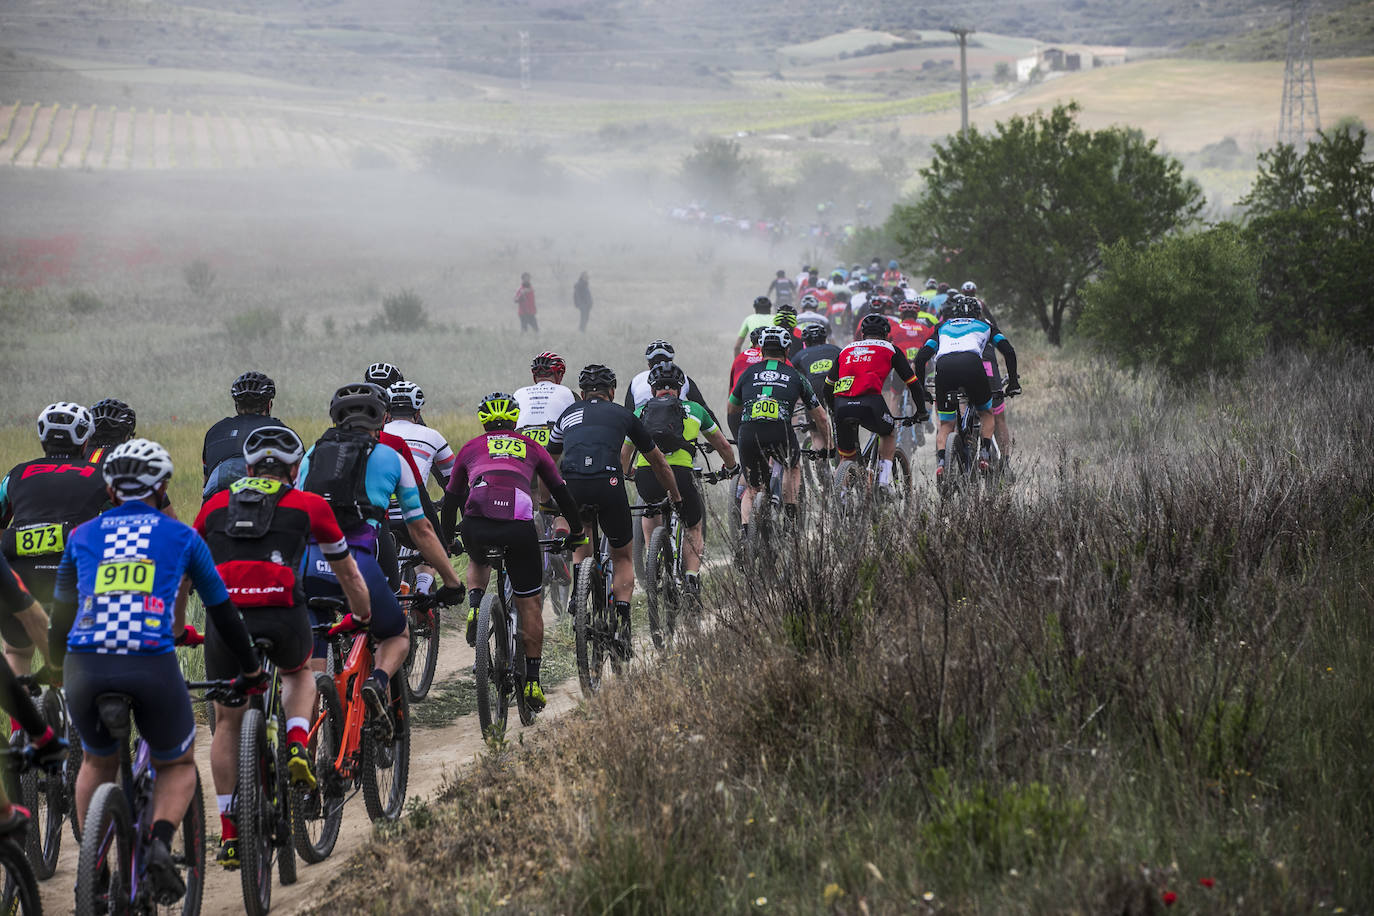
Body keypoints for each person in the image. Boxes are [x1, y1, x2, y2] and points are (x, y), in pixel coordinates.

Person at [48, 438, 265, 905]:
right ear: (163, 487)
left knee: (95, 761)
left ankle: (95, 869)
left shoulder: (82, 536)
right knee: (177, 763)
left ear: (110, 490)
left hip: (84, 661)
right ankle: (162, 846)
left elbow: (61, 618)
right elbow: (222, 613)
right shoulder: (182, 537)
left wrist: (53, 667)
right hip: (148, 658)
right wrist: (250, 670)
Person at [193, 426, 372, 868]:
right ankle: (295, 742)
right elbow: (347, 572)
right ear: (295, 469)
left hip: (226, 621)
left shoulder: (215, 505)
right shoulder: (307, 504)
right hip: (282, 613)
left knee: (226, 725)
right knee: (297, 673)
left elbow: (184, 570)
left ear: (249, 468)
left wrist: (179, 626)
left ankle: (231, 832)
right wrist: (363, 615)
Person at [297, 384, 463, 736]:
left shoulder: (314, 452)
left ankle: (305, 766)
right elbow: (421, 530)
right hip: (359, 563)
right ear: (382, 418)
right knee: (395, 634)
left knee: (311, 670)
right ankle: (376, 681)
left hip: (308, 564)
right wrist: (451, 581)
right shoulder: (391, 458)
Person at [440, 394, 585, 710]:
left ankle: (476, 606)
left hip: (476, 524)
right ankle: (532, 682)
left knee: (478, 557)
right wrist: (577, 530)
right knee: (530, 603)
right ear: (515, 421)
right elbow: (560, 491)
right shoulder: (532, 447)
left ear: (484, 422)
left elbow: (451, 499)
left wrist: (448, 539)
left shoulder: (471, 448)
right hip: (518, 528)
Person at [548, 365, 682, 659]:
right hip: (608, 484)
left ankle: (578, 593)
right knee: (622, 555)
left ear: (581, 394)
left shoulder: (566, 415)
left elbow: (548, 462)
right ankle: (622, 618)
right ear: (612, 392)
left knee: (581, 540)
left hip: (573, 487)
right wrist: (675, 494)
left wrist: (547, 503)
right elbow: (658, 462)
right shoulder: (625, 415)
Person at [0, 402, 105, 676]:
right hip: (76, 577)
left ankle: (23, 719)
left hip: (20, 578)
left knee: (16, 651)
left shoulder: (15, 474)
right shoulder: (101, 476)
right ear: (85, 442)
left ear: (43, 439)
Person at [628, 362, 737, 600]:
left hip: (648, 474)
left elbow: (624, 452)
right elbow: (723, 445)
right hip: (681, 474)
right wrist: (731, 467)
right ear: (680, 387)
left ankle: (652, 559)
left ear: (653, 387)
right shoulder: (696, 410)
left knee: (650, 510)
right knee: (693, 526)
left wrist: (628, 471)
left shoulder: (639, 412)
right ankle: (690, 577)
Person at [728, 327, 832, 536]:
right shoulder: (795, 375)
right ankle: (791, 513)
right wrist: (828, 446)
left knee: (752, 489)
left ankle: (745, 534)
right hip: (779, 431)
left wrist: (740, 432)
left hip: (749, 432)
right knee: (791, 467)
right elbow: (820, 416)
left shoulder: (748, 373)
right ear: (787, 350)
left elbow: (731, 409)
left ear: (761, 349)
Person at [913, 295, 1020, 479]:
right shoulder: (985, 325)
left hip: (944, 367)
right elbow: (1008, 351)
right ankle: (985, 454)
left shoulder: (942, 326)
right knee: (987, 414)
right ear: (978, 313)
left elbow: (921, 358)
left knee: (946, 424)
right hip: (972, 365)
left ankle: (941, 463)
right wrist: (1013, 382)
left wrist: (922, 389)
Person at [823, 314, 929, 489]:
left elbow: (827, 387)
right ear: (887, 334)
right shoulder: (890, 348)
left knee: (846, 458)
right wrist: (921, 411)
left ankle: (841, 499)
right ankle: (883, 481)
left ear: (862, 334)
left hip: (842, 404)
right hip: (870, 402)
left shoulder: (846, 349)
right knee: (889, 433)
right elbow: (913, 384)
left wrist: (834, 409)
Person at [384, 380, 455, 597]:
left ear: (386, 412)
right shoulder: (432, 435)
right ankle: (423, 589)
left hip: (381, 516)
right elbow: (454, 481)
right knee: (427, 546)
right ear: (418, 412)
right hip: (412, 515)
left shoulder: (376, 434)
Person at [202, 371, 291, 500]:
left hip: (216, 498)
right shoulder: (280, 430)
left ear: (236, 406)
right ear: (269, 405)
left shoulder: (214, 431)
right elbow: (298, 480)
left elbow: (205, 485)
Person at [625, 340, 717, 420]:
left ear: (649, 366)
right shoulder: (682, 377)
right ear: (671, 362)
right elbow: (706, 411)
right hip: (677, 433)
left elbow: (627, 414)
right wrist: (723, 438)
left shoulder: (636, 380)